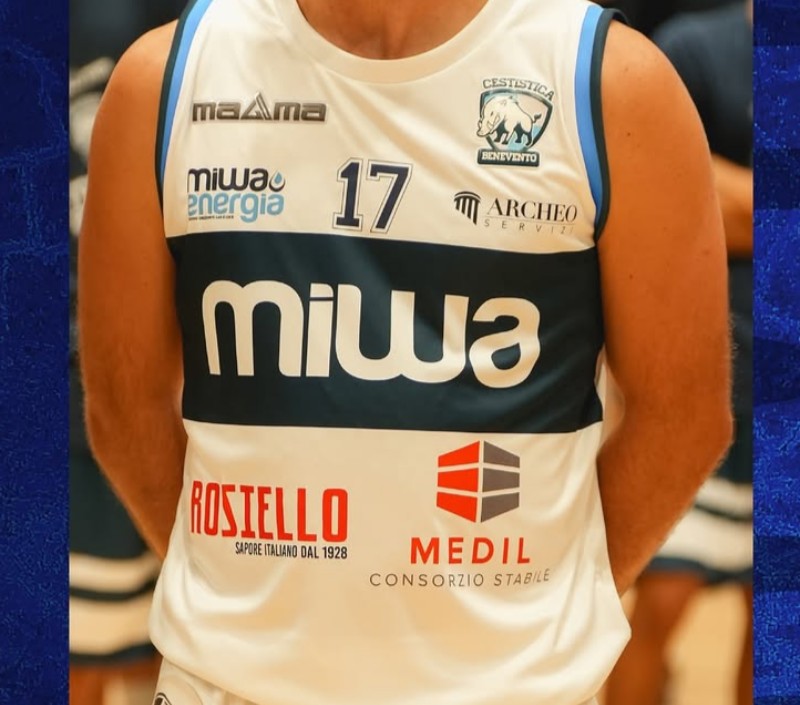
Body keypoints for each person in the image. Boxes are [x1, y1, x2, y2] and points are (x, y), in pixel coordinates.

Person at [78, 1, 733, 703]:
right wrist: (232, 577)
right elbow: (123, 401)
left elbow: (683, 417)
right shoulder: (166, 79)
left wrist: (556, 595)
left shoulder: (611, 83)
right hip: (224, 683)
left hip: (511, 690)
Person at [603, 2, 753, 704]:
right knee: (659, 601)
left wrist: (739, 200)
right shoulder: (693, 50)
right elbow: (660, 188)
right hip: (703, 368)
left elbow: (732, 204)